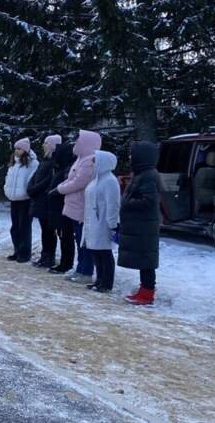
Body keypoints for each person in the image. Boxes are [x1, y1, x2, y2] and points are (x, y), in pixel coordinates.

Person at [56, 130, 102, 284]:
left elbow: (79, 182)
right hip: (75, 206)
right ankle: (80, 268)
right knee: (79, 240)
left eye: (78, 141)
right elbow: (72, 178)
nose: (75, 144)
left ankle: (86, 271)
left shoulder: (89, 161)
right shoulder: (80, 159)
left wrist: (60, 189)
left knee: (84, 242)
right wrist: (61, 186)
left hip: (83, 208)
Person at [118, 142, 161, 305]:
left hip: (144, 226)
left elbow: (149, 201)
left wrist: (127, 202)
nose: (129, 157)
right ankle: (145, 290)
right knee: (144, 259)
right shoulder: (141, 173)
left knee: (146, 260)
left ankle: (147, 293)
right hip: (141, 225)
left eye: (132, 154)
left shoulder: (148, 175)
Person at [81, 150, 120, 293]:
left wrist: (112, 223)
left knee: (105, 253)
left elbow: (113, 204)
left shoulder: (110, 180)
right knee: (96, 251)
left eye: (94, 161)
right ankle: (99, 280)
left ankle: (107, 282)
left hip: (103, 221)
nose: (92, 164)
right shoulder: (96, 179)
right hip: (93, 220)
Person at [28, 134, 61, 268]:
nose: (43, 145)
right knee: (44, 230)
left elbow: (48, 181)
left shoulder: (55, 162)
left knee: (49, 231)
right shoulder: (45, 160)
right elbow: (35, 176)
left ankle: (49, 257)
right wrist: (30, 187)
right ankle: (44, 255)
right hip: (39, 200)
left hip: (47, 201)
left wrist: (34, 189)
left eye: (46, 143)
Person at [4, 137, 39, 263]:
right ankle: (17, 250)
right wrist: (6, 189)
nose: (16, 151)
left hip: (25, 199)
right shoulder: (14, 162)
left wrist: (27, 192)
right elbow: (8, 177)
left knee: (24, 226)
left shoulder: (33, 163)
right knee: (15, 227)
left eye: (19, 149)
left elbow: (33, 180)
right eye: (15, 149)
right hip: (14, 199)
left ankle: (25, 253)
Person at [46, 142, 77, 273]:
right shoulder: (60, 168)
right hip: (58, 208)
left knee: (66, 237)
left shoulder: (67, 169)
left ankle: (67, 263)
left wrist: (55, 192)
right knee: (62, 236)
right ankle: (64, 262)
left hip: (63, 208)